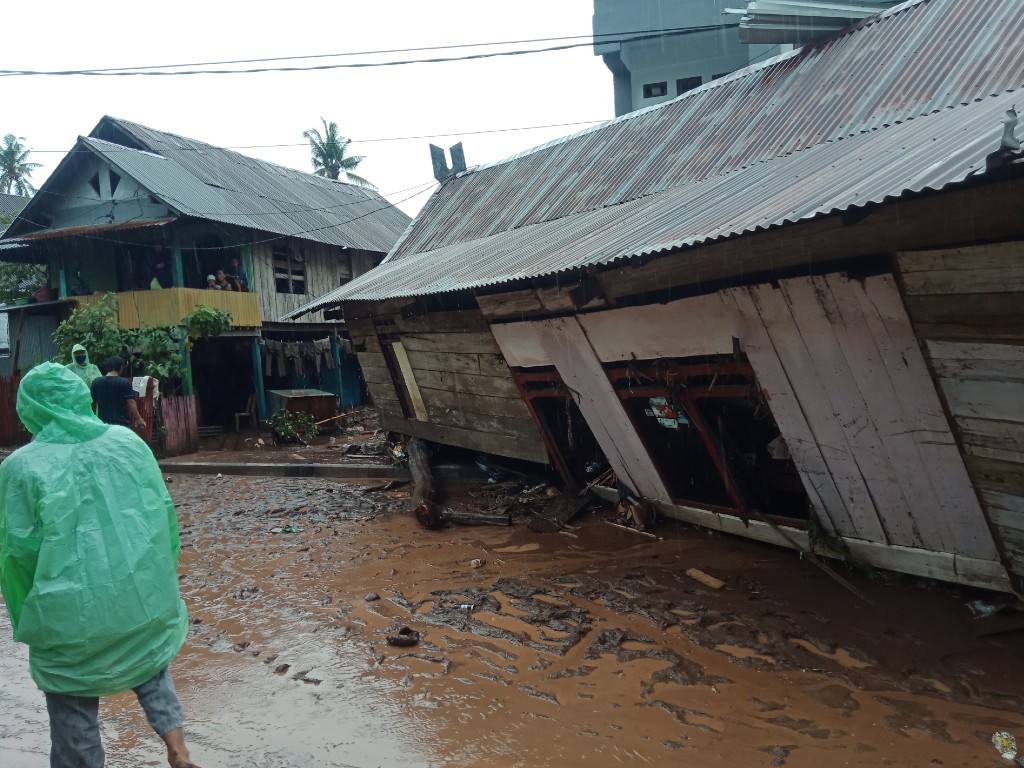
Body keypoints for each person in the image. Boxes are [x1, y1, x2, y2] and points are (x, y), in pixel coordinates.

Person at [0, 363, 199, 768]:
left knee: (72, 706)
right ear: (82, 399)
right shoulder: (127, 442)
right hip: (137, 595)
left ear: (30, 409)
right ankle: (177, 750)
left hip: (68, 612)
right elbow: (161, 516)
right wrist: (160, 582)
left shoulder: (19, 467)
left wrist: (27, 614)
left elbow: (16, 553)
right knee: (152, 667)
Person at [91, 356, 146, 431]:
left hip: (103, 426)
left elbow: (93, 404)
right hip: (121, 426)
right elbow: (131, 402)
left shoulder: (96, 382)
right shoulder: (124, 382)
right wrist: (139, 419)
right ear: (121, 368)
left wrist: (92, 420)